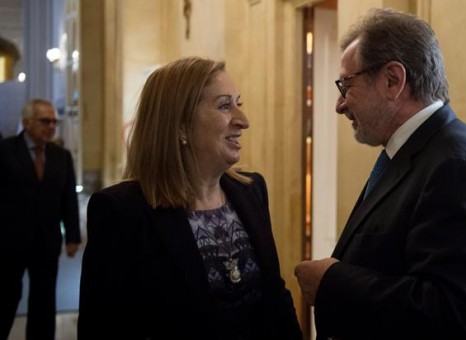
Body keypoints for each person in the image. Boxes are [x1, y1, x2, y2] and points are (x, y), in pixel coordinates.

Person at [294, 8, 466, 340]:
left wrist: (332, 282)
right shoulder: (416, 151)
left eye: (346, 85)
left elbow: (453, 314)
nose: (340, 104)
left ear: (393, 80)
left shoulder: (456, 166)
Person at [77, 57, 303, 340]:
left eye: (238, 104)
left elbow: (275, 300)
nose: (243, 121)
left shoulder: (252, 190)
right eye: (224, 105)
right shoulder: (122, 211)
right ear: (181, 126)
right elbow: (103, 328)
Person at [0, 98, 81, 339]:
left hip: (46, 240)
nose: (52, 126)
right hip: (9, 241)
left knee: (44, 300)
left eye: (55, 121)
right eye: (46, 121)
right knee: (5, 296)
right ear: (27, 122)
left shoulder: (61, 156)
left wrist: (73, 236)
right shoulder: (4, 151)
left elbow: (68, 199)